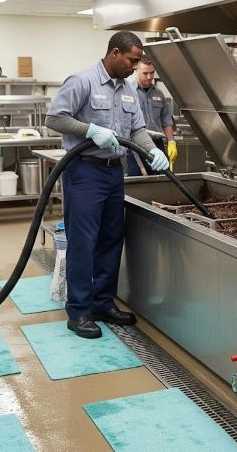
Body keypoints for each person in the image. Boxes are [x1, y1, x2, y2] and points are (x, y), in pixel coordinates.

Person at [45, 31, 169, 339]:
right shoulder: (82, 81)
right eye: (132, 60)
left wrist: (151, 151)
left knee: (111, 239)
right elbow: (54, 119)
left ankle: (102, 303)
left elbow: (137, 129)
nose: (135, 66)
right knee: (83, 242)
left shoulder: (127, 89)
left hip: (115, 173)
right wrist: (90, 130)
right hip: (84, 172)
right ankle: (79, 311)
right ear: (115, 53)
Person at [126, 58, 177, 176]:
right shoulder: (128, 91)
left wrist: (171, 142)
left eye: (152, 73)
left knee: (162, 178)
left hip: (157, 144)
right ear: (136, 70)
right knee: (137, 179)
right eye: (145, 73)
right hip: (136, 144)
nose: (149, 77)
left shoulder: (159, 94)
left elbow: (166, 120)